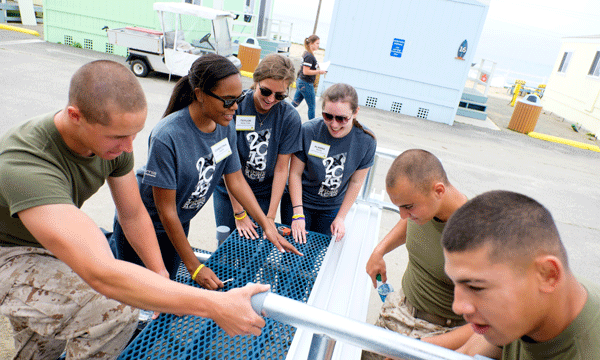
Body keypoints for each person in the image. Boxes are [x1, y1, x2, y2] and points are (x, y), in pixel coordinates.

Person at [0, 60, 270, 360]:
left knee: (41, 337)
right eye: (118, 136)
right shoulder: (24, 162)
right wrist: (214, 304)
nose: (129, 148)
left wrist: (159, 276)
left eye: (134, 134)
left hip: (42, 242)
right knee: (113, 309)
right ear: (75, 116)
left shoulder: (110, 142)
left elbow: (132, 213)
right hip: (9, 251)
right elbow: (100, 274)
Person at [112, 54, 301, 290]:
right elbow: (166, 210)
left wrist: (267, 225)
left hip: (180, 223)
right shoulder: (168, 136)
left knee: (164, 292)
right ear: (200, 94)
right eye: (227, 101)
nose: (235, 107)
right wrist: (194, 267)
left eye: (238, 99)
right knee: (135, 293)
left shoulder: (225, 127)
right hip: (146, 225)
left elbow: (236, 181)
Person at [442, 190, 600, 360]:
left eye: (476, 287)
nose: (458, 307)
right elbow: (467, 353)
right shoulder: (526, 310)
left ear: (548, 275)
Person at [362, 149, 473, 360]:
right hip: (399, 308)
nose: (403, 215)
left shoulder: (478, 235)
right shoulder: (423, 211)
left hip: (440, 336)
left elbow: (487, 326)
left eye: (408, 207)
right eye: (399, 207)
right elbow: (408, 222)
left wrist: (419, 350)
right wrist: (380, 251)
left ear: (438, 191)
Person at [213, 54, 302, 241]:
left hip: (262, 195)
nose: (271, 99)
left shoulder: (289, 117)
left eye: (280, 95)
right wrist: (239, 212)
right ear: (256, 80)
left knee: (251, 251)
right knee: (225, 248)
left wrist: (269, 217)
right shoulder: (236, 106)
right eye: (266, 91)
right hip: (229, 192)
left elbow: (281, 168)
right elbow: (226, 161)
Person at [282, 83, 376, 242]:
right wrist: (298, 213)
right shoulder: (309, 131)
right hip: (298, 202)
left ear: (355, 112)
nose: (334, 124)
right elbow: (295, 174)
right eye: (328, 116)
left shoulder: (366, 141)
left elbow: (356, 182)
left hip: (331, 208)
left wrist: (340, 217)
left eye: (342, 118)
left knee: (314, 253)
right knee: (292, 249)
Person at [292, 34, 327, 120]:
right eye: (317, 43)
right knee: (312, 106)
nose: (318, 45)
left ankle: (281, 114)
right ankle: (312, 124)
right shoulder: (309, 56)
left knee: (294, 104)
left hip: (301, 82)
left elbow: (308, 67)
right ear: (311, 44)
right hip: (306, 83)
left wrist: (318, 65)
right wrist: (319, 72)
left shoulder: (307, 54)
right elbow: (306, 71)